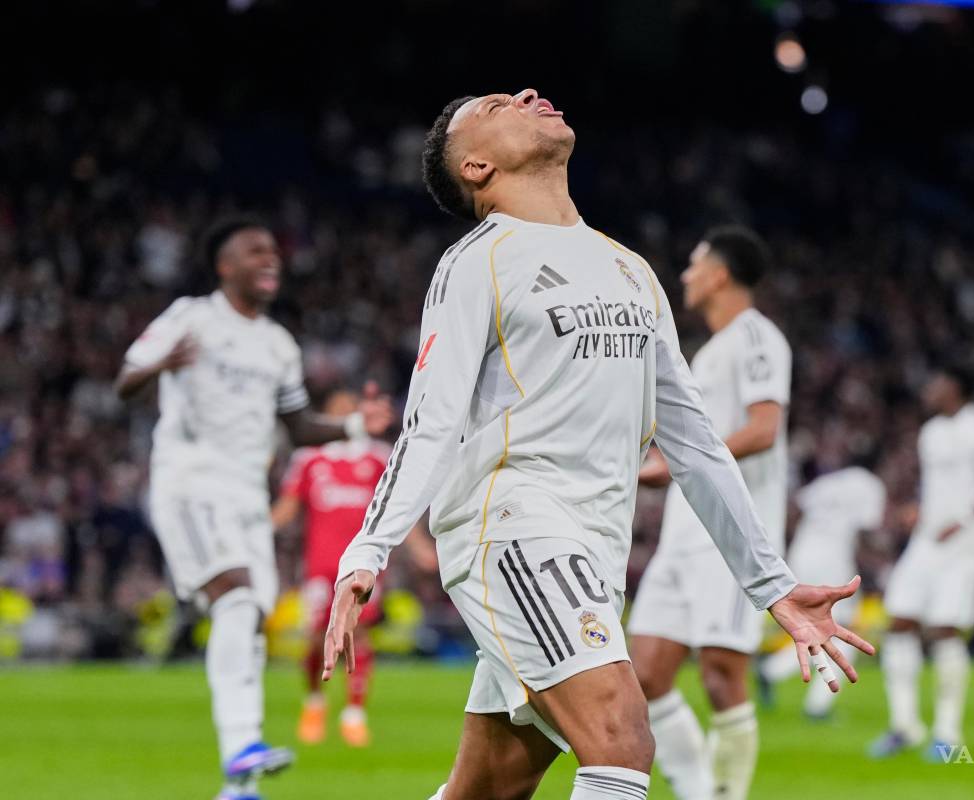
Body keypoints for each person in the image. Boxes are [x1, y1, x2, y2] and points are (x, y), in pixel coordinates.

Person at [322, 88, 875, 800]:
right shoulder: (477, 262)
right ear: (477, 167)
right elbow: (428, 423)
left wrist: (773, 585)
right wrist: (368, 550)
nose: (526, 94)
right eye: (497, 105)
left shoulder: (629, 268)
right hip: (512, 528)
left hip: (594, 549)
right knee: (621, 740)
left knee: (489, 787)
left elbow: (695, 443)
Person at [115, 218, 394, 800]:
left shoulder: (278, 346)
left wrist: (352, 425)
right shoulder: (192, 317)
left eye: (272, 251)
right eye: (254, 251)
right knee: (237, 600)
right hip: (191, 482)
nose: (269, 258)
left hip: (246, 495)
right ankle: (242, 743)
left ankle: (239, 782)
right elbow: (125, 381)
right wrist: (160, 367)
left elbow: (297, 426)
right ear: (225, 266)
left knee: (250, 622)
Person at [625, 225, 792, 800]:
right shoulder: (709, 351)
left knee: (721, 675)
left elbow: (764, 429)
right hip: (682, 532)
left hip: (730, 535)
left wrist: (676, 464)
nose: (686, 276)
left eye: (695, 265)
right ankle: (700, 792)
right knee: (644, 675)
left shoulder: (757, 338)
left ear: (720, 275)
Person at [272, 388, 437, 748]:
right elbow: (287, 507)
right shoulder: (309, 458)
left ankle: (354, 714)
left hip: (364, 565)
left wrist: (420, 546)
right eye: (338, 410)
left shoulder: (378, 457)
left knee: (358, 633)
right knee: (317, 633)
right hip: (320, 567)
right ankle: (314, 701)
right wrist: (258, 532)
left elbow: (397, 507)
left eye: (351, 409)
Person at [869, 366, 974, 760]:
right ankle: (904, 726)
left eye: (937, 382)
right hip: (926, 541)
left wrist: (961, 520)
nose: (929, 389)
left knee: (945, 629)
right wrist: (920, 510)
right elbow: (940, 488)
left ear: (956, 386)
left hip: (966, 545)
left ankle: (948, 734)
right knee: (899, 620)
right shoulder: (930, 432)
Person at [758, 450, 887, 720]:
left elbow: (796, 509)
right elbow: (868, 531)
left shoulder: (828, 482)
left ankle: (771, 671)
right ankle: (818, 706)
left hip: (801, 555)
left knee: (817, 629)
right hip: (833, 560)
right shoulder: (869, 484)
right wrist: (876, 565)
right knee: (843, 632)